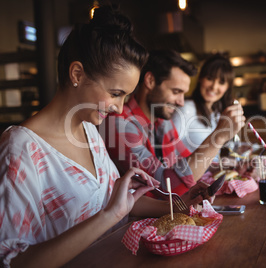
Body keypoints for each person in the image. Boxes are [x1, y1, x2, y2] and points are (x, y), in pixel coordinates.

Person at [0, 6, 209, 268]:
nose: (120, 109)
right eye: (115, 93)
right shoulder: (21, 148)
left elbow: (121, 204)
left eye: (125, 96)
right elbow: (13, 261)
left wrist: (180, 204)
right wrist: (108, 216)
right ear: (77, 74)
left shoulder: (89, 130)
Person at [103, 50, 245, 196]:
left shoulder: (163, 122)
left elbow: (188, 161)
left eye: (183, 93)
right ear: (150, 81)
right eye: (176, 91)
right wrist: (218, 137)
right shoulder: (120, 123)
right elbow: (166, 186)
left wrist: (235, 169)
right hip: (138, 218)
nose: (181, 102)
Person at [172, 53, 235, 161]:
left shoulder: (217, 113)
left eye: (221, 82)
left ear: (227, 87)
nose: (214, 86)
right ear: (200, 78)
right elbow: (171, 152)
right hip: (189, 176)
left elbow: (214, 156)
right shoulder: (186, 108)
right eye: (210, 78)